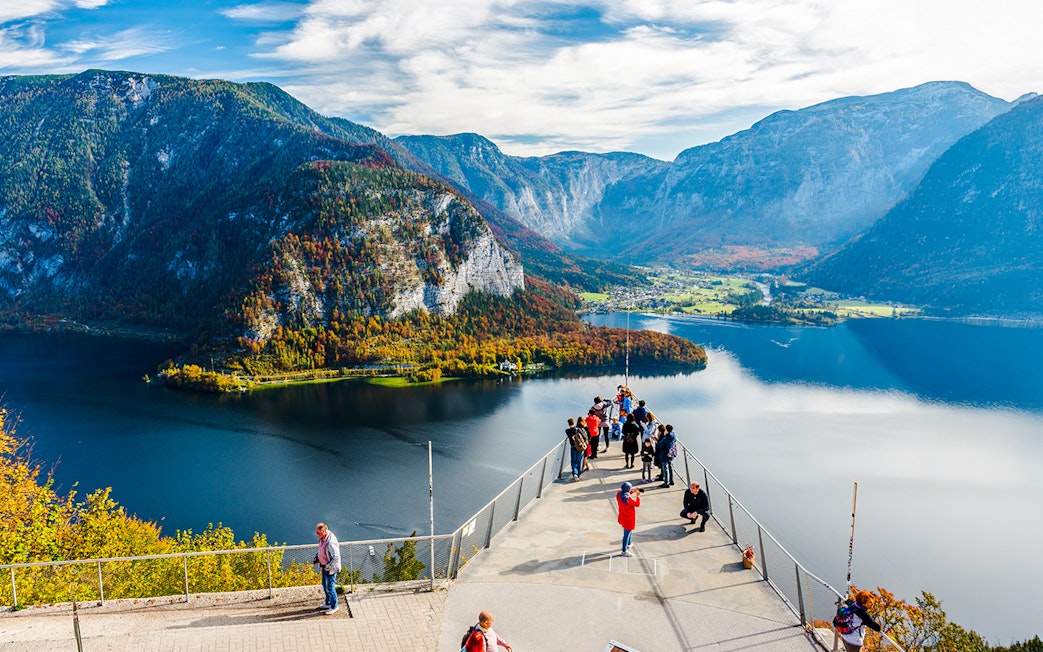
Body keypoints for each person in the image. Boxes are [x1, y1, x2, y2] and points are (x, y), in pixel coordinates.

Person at [312, 522, 342, 615]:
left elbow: (336, 557)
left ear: (324, 531)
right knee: (324, 585)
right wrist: (317, 556)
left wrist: (329, 566)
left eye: (318, 532)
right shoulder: (322, 538)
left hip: (330, 568)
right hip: (323, 565)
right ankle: (328, 603)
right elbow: (321, 549)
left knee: (330, 587)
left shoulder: (331, 541)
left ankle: (334, 606)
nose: (317, 534)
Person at [615, 481, 641, 557]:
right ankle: (624, 550)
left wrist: (633, 491)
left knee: (629, 531)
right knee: (626, 534)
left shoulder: (619, 494)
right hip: (629, 518)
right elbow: (637, 504)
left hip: (622, 516)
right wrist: (638, 495)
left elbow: (626, 493)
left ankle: (629, 543)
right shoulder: (629, 500)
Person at [566, 417, 588, 481]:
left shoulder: (567, 431)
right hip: (580, 447)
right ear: (574, 422)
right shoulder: (578, 429)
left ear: (568, 424)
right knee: (579, 461)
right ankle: (578, 474)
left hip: (573, 447)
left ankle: (575, 474)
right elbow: (584, 436)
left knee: (573, 461)